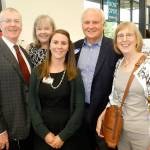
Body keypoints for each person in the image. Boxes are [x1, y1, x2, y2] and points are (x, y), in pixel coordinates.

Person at [29, 29, 88, 150]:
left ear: (68, 48)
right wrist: (45, 134)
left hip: (68, 134)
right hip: (42, 134)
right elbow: (32, 104)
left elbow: (79, 107)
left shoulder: (74, 73)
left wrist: (62, 136)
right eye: (55, 42)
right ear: (49, 45)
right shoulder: (37, 72)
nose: (59, 46)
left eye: (63, 43)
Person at [96, 22, 150, 150]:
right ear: (116, 42)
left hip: (144, 133)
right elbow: (115, 97)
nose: (124, 39)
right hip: (119, 130)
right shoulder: (119, 63)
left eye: (129, 35)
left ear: (137, 39)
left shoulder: (147, 65)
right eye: (120, 36)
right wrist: (102, 116)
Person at [74, 8, 120, 150]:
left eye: (95, 22)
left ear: (103, 24)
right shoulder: (74, 47)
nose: (91, 26)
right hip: (79, 113)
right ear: (82, 25)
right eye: (87, 22)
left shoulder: (114, 48)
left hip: (104, 114)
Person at [0, 7, 33, 150]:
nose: (13, 24)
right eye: (8, 21)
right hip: (8, 132)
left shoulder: (24, 53)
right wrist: (0, 130)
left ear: (21, 25)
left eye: (17, 21)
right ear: (1, 25)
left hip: (29, 127)